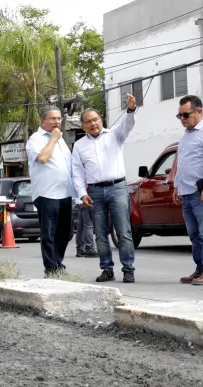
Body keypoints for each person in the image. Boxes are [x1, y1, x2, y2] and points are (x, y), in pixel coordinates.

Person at [72, 93, 137, 283]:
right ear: (83, 126)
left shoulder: (115, 135)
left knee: (123, 232)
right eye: (88, 122)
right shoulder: (79, 146)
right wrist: (82, 194)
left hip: (117, 188)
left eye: (95, 119)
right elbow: (77, 173)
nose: (93, 124)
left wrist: (131, 110)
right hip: (94, 192)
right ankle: (107, 269)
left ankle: (128, 269)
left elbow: (128, 125)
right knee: (100, 234)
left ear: (101, 120)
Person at [173, 95, 203, 285]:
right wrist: (177, 185)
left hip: (202, 193)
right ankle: (200, 269)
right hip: (187, 192)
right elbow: (182, 163)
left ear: (198, 111)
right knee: (194, 234)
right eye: (179, 116)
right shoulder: (186, 136)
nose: (182, 119)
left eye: (185, 114)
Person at [26, 106, 75, 277]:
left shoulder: (61, 140)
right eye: (52, 118)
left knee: (66, 232)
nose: (57, 122)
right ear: (42, 121)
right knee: (49, 233)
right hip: (47, 194)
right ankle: (51, 268)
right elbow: (42, 158)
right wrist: (53, 139)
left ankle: (57, 263)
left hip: (66, 193)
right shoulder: (36, 139)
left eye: (59, 118)